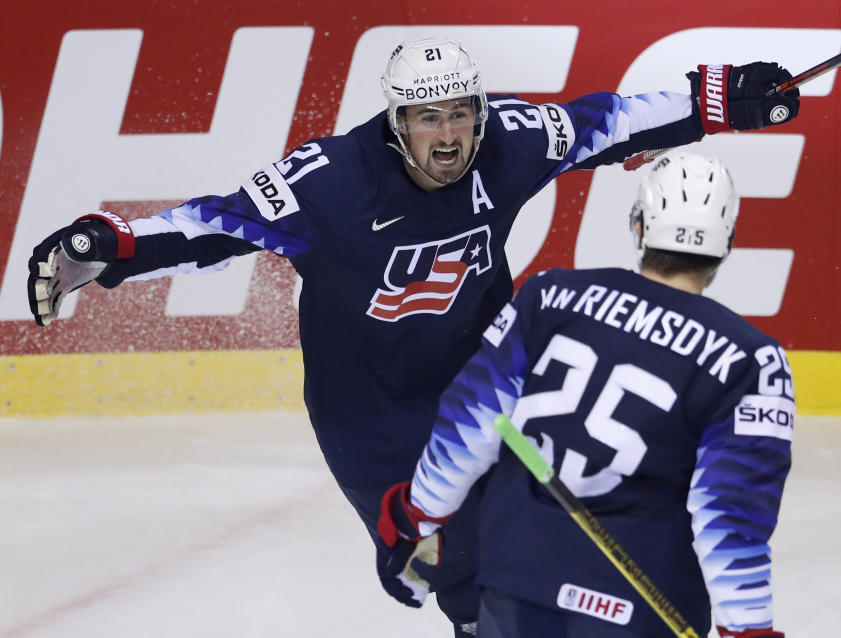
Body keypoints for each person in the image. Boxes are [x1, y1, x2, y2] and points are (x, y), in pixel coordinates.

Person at [26, 36, 799, 636]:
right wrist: (113, 245)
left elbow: (609, 120)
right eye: (429, 117)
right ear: (397, 124)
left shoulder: (510, 138)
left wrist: (723, 97)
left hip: (478, 385)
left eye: (462, 111)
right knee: (450, 569)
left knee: (530, 545)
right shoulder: (327, 181)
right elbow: (214, 223)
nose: (451, 133)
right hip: (368, 418)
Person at [377, 150, 794, 638]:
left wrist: (417, 519)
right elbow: (731, 517)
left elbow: (468, 421)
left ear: (638, 227)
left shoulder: (550, 296)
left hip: (518, 579)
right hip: (635, 611)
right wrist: (747, 631)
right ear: (727, 245)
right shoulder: (752, 360)